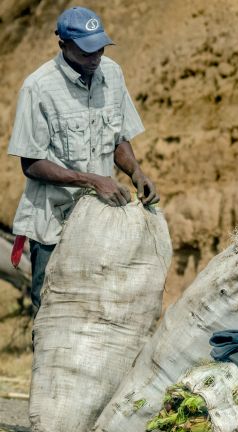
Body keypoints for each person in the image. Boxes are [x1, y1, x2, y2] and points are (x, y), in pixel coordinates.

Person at [8, 6, 159, 311]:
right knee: (52, 311)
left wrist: (136, 173)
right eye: (86, 51)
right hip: (54, 224)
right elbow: (31, 163)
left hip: (100, 221)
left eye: (100, 48)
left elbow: (117, 138)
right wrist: (92, 180)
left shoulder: (112, 74)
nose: (95, 57)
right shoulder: (38, 88)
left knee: (99, 306)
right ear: (63, 45)